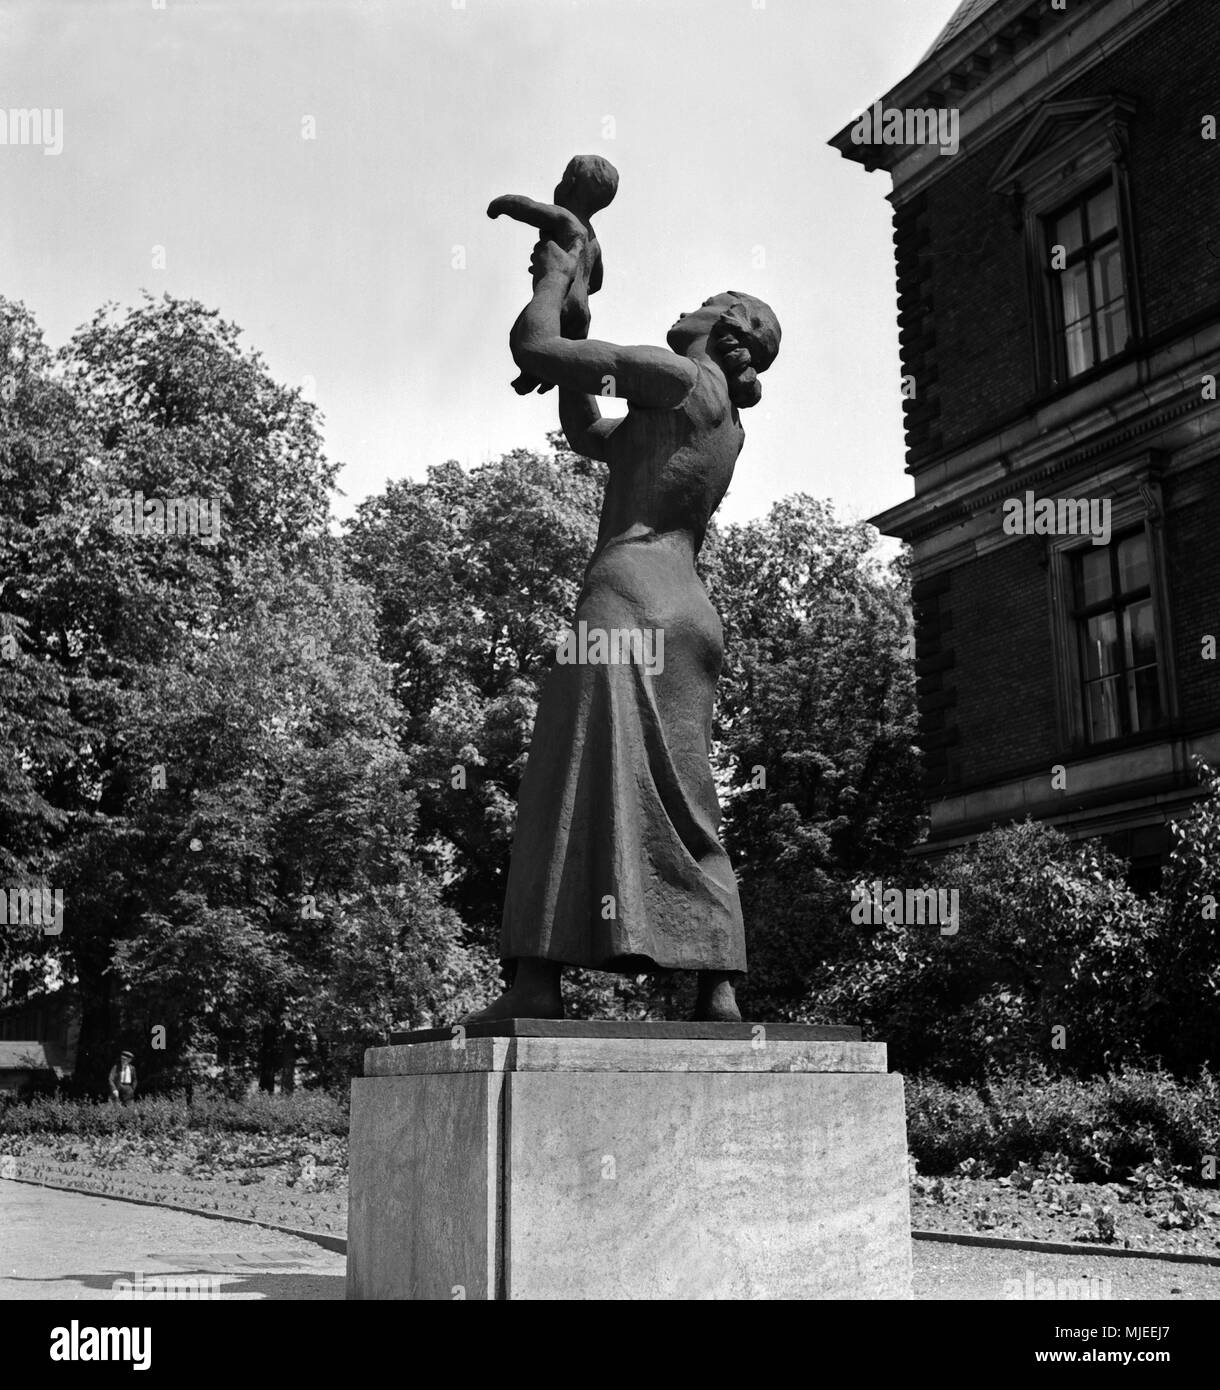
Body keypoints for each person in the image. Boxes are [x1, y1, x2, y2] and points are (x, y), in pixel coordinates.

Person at [467, 227, 780, 1024]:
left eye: (704, 304)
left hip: (627, 595)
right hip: (690, 615)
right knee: (681, 790)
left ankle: (536, 982)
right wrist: (580, 335)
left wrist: (555, 274)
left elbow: (528, 344)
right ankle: (717, 988)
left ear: (727, 327)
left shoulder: (670, 372)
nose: (687, 308)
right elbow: (590, 435)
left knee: (568, 773)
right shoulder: (719, 417)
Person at [486, 154, 618, 395]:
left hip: (560, 301)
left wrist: (502, 205)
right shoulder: (594, 241)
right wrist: (582, 285)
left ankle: (531, 373)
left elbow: (529, 209)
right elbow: (597, 282)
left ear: (569, 182)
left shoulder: (564, 217)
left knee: (522, 335)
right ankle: (548, 377)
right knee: (562, 353)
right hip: (583, 314)